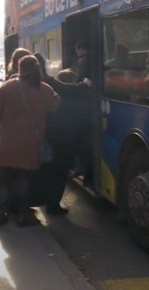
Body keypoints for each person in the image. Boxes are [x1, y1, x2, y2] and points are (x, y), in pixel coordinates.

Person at [0, 56, 60, 227]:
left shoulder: (8, 87)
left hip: (8, 143)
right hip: (31, 144)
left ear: (20, 69)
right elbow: (55, 105)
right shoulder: (43, 88)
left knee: (4, 178)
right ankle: (24, 215)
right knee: (25, 180)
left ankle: (1, 213)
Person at [33, 53, 90, 214]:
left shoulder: (33, 84)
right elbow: (66, 89)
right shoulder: (50, 84)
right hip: (60, 138)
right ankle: (53, 204)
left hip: (45, 134)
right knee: (59, 171)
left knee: (47, 170)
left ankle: (44, 200)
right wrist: (85, 84)